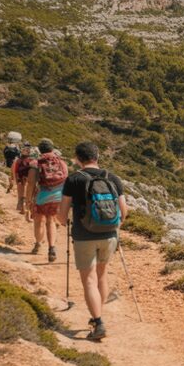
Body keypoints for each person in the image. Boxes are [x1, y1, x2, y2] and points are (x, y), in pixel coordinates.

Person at [57, 141, 128, 341]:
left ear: (77, 159)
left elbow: (62, 215)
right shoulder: (113, 178)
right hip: (109, 235)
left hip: (84, 236)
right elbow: (124, 212)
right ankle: (98, 316)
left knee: (89, 280)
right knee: (101, 276)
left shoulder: (73, 179)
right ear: (97, 157)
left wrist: (62, 221)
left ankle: (98, 322)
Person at [26, 139, 66, 261]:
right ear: (52, 149)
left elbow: (31, 182)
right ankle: (52, 248)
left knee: (38, 221)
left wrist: (28, 200)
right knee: (51, 220)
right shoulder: (61, 162)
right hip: (58, 196)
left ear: (39, 150)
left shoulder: (36, 163)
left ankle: (38, 244)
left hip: (42, 195)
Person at [8, 143, 37, 214]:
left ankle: (21, 207)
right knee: (30, 193)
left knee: (20, 192)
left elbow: (13, 170)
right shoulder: (33, 159)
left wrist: (13, 178)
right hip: (30, 173)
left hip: (20, 174)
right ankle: (28, 208)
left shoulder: (17, 160)